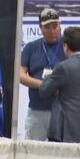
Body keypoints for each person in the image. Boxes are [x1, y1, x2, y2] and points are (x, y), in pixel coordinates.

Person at [39, 26, 80, 143]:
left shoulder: (63, 68)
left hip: (64, 131)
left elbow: (44, 91)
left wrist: (49, 77)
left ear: (65, 46)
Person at [19, 8, 67, 140]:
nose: (52, 31)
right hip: (37, 111)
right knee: (33, 153)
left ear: (60, 25)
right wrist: (42, 85)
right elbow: (21, 75)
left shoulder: (68, 46)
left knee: (60, 153)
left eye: (55, 26)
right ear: (40, 28)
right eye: (47, 27)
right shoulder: (31, 47)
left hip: (61, 111)